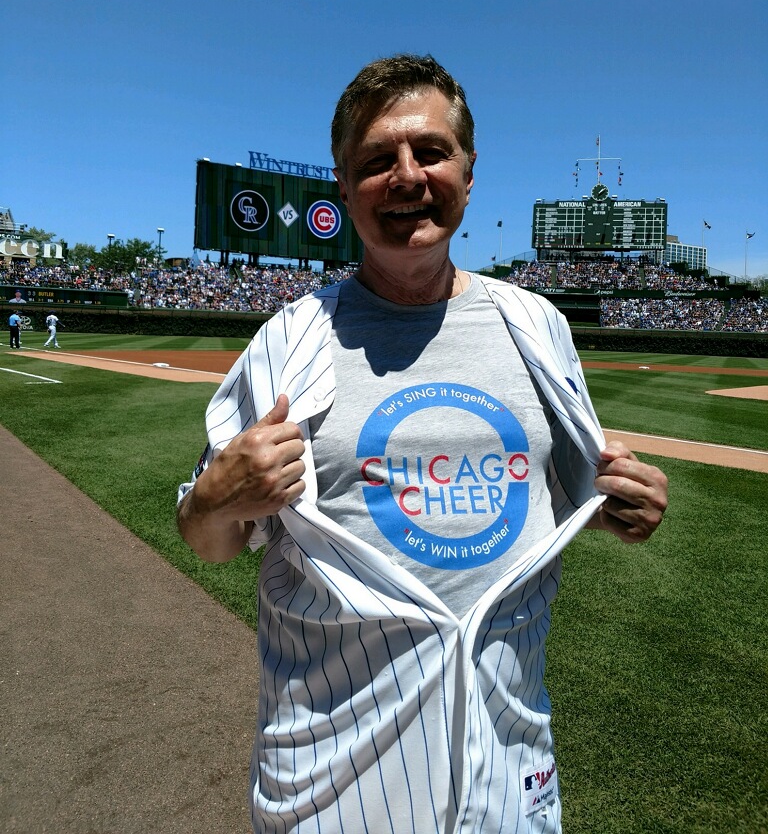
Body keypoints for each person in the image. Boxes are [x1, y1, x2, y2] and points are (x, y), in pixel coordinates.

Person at [177, 54, 668, 834]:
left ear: (468, 173)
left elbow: (584, 495)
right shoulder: (291, 339)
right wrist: (210, 499)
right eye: (377, 161)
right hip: (330, 788)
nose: (407, 176)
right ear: (343, 186)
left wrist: (625, 507)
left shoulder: (538, 327)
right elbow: (209, 541)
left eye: (430, 152)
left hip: (508, 776)